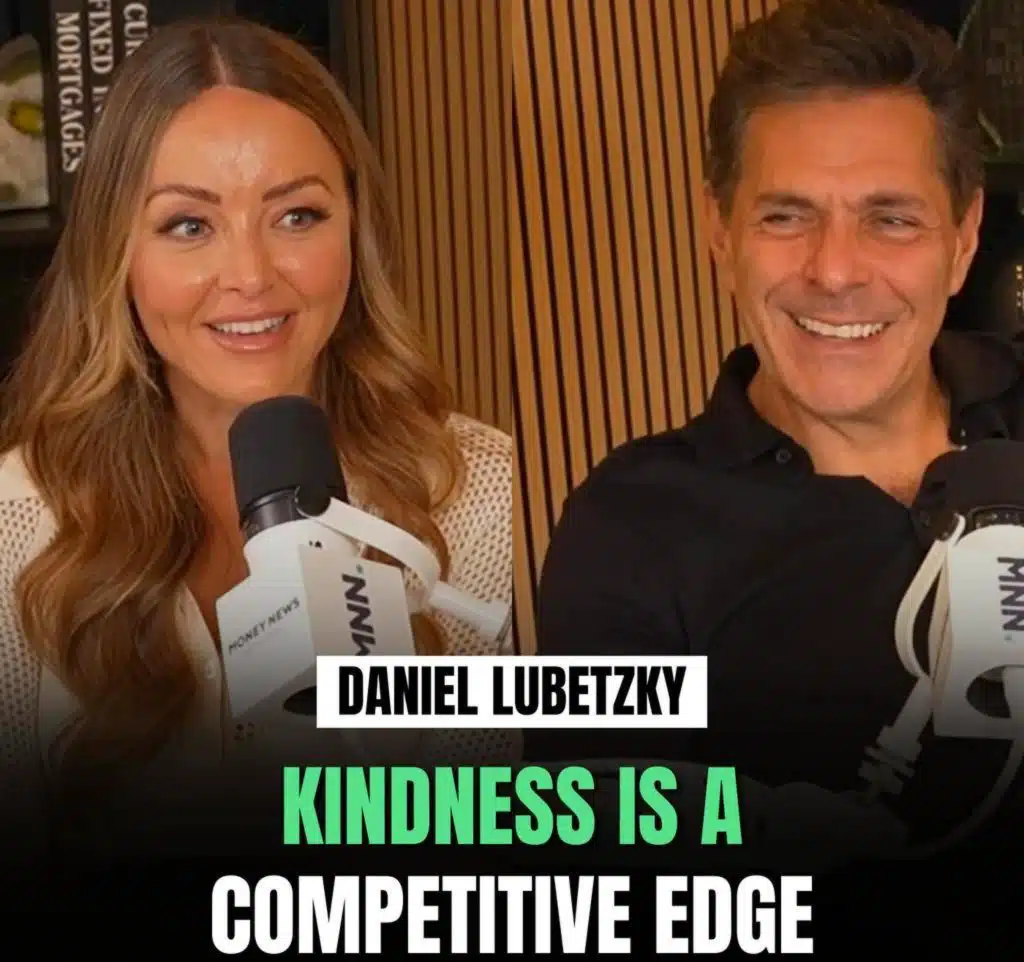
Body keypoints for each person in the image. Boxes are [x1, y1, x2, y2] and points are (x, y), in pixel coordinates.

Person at [0, 17, 516, 852]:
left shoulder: (485, 491)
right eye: (188, 226)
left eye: (297, 216)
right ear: (116, 253)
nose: (249, 276)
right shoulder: (15, 525)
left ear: (355, 228)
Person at [535, 0, 1021, 845]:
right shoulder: (628, 530)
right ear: (720, 232)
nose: (835, 271)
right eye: (786, 216)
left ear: (964, 238)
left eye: (891, 219)